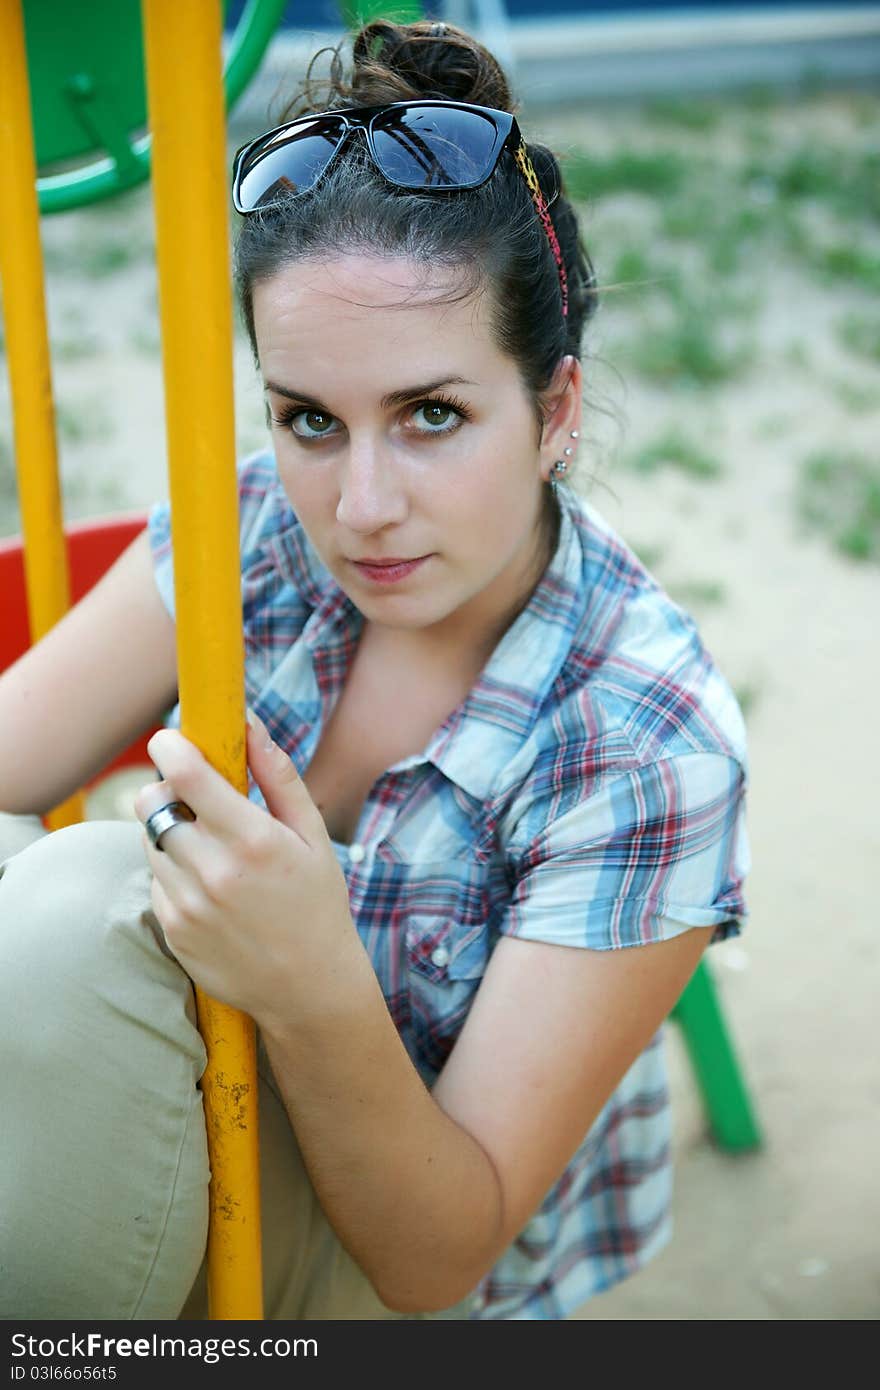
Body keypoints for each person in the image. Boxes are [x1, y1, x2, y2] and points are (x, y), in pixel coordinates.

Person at [0, 19, 749, 1321]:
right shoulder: (259, 531)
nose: (358, 507)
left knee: (83, 905)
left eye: (433, 416)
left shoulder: (644, 740)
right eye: (307, 418)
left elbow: (436, 1256)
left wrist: (309, 977)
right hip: (200, 1102)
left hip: (404, 1252)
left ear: (556, 409)